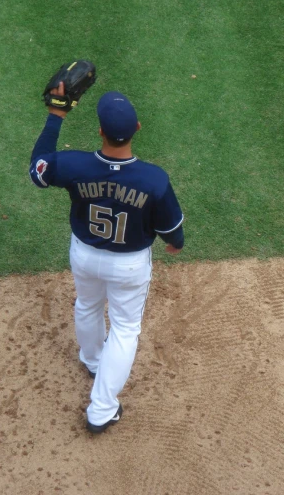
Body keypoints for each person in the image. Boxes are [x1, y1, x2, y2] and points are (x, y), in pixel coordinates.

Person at [29, 82, 184, 434]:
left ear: (99, 131)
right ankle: (101, 409)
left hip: (85, 255)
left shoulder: (73, 165)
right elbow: (172, 232)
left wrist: (56, 115)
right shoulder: (153, 179)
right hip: (129, 265)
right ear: (138, 129)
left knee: (87, 304)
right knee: (125, 330)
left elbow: (37, 169)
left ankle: (93, 362)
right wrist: (175, 244)